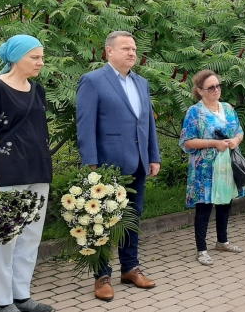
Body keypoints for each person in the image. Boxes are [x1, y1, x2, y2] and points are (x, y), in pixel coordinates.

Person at [76, 31, 161, 301]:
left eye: (134, 48)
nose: (132, 53)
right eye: (125, 48)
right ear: (108, 51)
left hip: (137, 162)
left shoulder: (141, 83)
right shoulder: (93, 81)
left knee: (132, 218)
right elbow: (85, 124)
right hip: (105, 164)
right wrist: (90, 162)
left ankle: (130, 268)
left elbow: (147, 123)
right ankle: (102, 275)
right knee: (101, 221)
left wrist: (153, 156)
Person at [0, 35, 54, 312]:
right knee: (4, 239)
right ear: (16, 57)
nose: (40, 62)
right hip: (7, 175)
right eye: (35, 57)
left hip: (38, 171)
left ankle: (21, 296)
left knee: (29, 238)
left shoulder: (38, 89)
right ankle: (2, 302)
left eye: (41, 57)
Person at [179, 70, 245, 264]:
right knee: (204, 206)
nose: (216, 90)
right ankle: (201, 249)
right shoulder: (195, 112)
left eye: (218, 86)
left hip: (228, 164)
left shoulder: (228, 108)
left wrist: (235, 140)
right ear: (200, 90)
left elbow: (240, 132)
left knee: (225, 202)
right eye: (211, 87)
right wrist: (213, 143)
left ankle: (222, 241)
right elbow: (187, 142)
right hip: (205, 169)